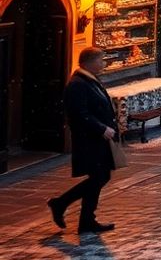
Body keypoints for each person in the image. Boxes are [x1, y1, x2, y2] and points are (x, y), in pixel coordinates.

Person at [48, 47, 118, 234]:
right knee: (99, 177)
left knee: (100, 177)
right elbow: (79, 114)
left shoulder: (91, 80)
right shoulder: (78, 84)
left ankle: (84, 218)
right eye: (101, 60)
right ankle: (65, 206)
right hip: (90, 140)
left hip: (98, 139)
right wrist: (101, 128)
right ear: (89, 62)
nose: (104, 64)